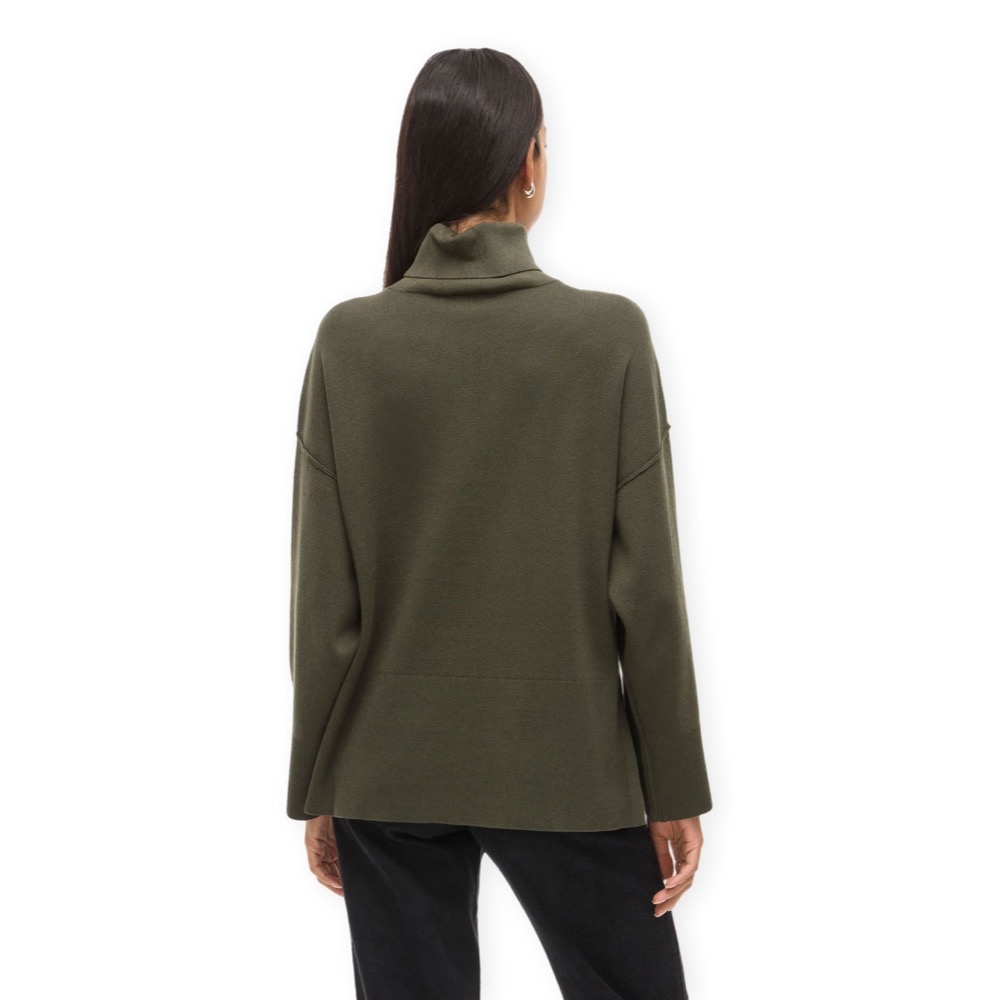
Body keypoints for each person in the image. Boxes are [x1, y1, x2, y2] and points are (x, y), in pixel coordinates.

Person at [286, 46, 713, 1000]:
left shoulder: (349, 342)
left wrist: (319, 782)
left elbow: (323, 604)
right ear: (528, 163)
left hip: (385, 768)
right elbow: (648, 593)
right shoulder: (607, 337)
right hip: (568, 764)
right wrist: (673, 785)